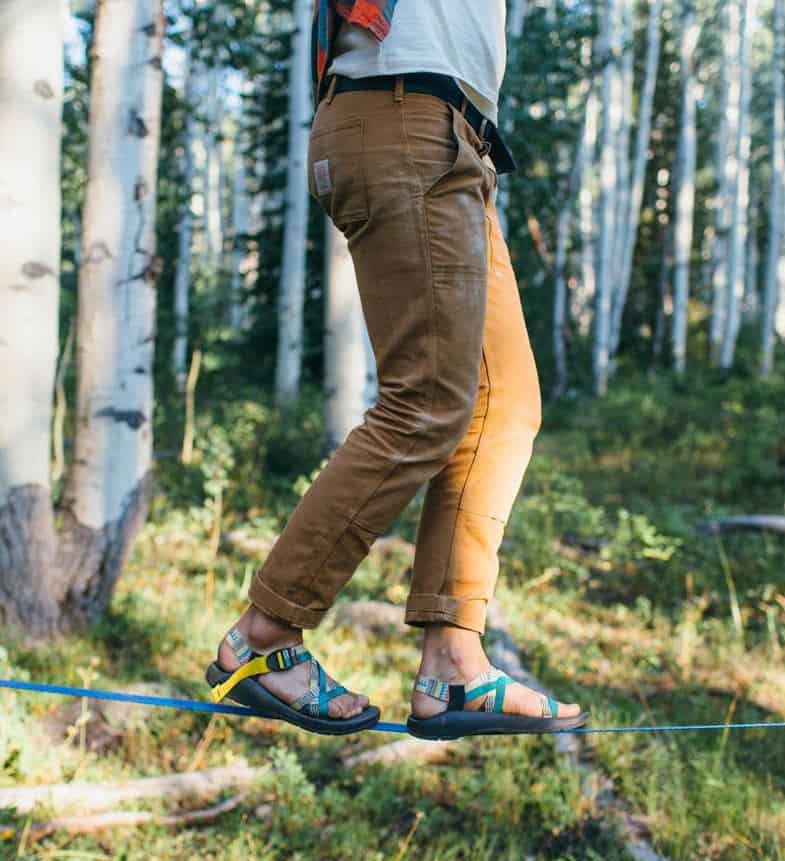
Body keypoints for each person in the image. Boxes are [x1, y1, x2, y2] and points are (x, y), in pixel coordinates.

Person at [206, 0, 588, 739]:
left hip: (459, 137)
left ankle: (452, 658)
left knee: (502, 402)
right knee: (427, 404)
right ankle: (263, 635)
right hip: (399, 111)